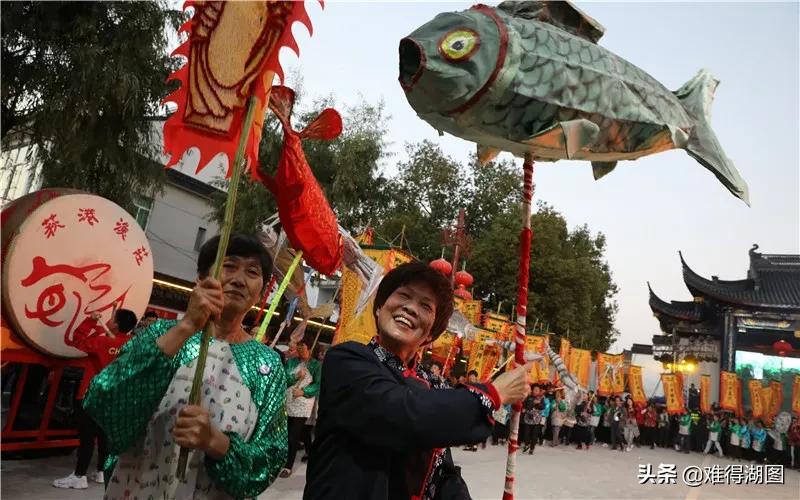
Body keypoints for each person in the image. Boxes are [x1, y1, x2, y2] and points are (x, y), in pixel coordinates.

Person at [303, 262, 532, 500]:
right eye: (404, 295)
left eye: (425, 306)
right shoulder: (347, 360)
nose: (411, 308)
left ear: (431, 333)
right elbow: (401, 413)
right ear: (380, 307)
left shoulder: (434, 384)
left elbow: (443, 472)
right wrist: (493, 394)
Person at [83, 234, 287, 499]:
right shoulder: (159, 333)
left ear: (261, 293)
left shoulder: (268, 365)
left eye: (252, 272)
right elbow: (104, 401)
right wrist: (187, 326)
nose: (239, 279)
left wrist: (217, 444)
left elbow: (271, 457)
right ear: (201, 279)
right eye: (228, 266)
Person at [53, 308, 138, 489]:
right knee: (104, 436)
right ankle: (100, 472)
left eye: (112, 318)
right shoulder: (132, 344)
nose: (108, 320)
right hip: (112, 397)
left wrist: (91, 321)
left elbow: (77, 339)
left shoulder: (101, 341)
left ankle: (79, 475)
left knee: (87, 437)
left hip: (91, 394)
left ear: (115, 325)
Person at [280, 340, 321, 478]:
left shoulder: (316, 365)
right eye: (298, 347)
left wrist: (304, 392)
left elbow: (318, 385)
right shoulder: (291, 362)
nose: (300, 350)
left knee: (293, 436)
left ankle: (288, 466)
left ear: (310, 348)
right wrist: (296, 376)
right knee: (289, 433)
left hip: (303, 404)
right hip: (289, 401)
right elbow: (284, 378)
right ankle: (307, 453)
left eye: (303, 347)